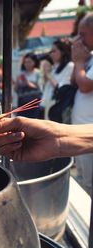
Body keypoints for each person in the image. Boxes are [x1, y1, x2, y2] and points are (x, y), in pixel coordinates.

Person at [71, 13, 93, 192]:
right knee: (85, 179)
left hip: (89, 130)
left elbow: (85, 85)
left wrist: (78, 62)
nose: (79, 39)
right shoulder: (89, 57)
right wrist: (77, 61)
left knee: (89, 183)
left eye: (83, 34)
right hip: (82, 127)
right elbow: (75, 81)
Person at [15, 53, 41, 118]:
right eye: (25, 62)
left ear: (34, 62)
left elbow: (40, 87)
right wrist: (17, 82)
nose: (27, 64)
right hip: (22, 102)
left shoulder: (37, 73)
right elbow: (16, 89)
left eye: (29, 62)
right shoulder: (21, 73)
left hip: (34, 102)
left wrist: (27, 83)